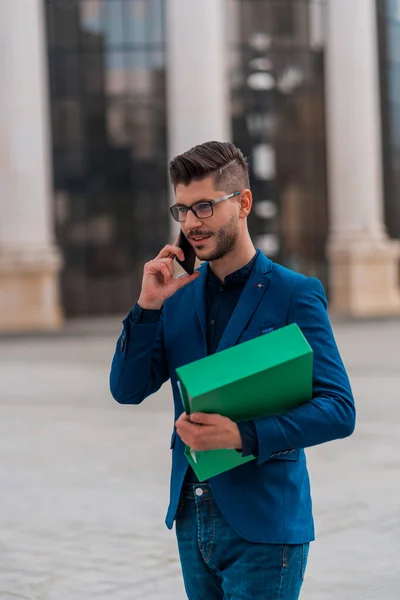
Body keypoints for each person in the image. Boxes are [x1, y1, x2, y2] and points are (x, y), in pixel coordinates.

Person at [110, 141, 355, 600]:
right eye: (181, 210)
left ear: (242, 203)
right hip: (191, 516)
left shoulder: (294, 293)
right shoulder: (175, 296)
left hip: (265, 523)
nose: (190, 224)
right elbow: (127, 389)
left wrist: (242, 435)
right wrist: (146, 306)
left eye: (203, 207)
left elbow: (339, 409)